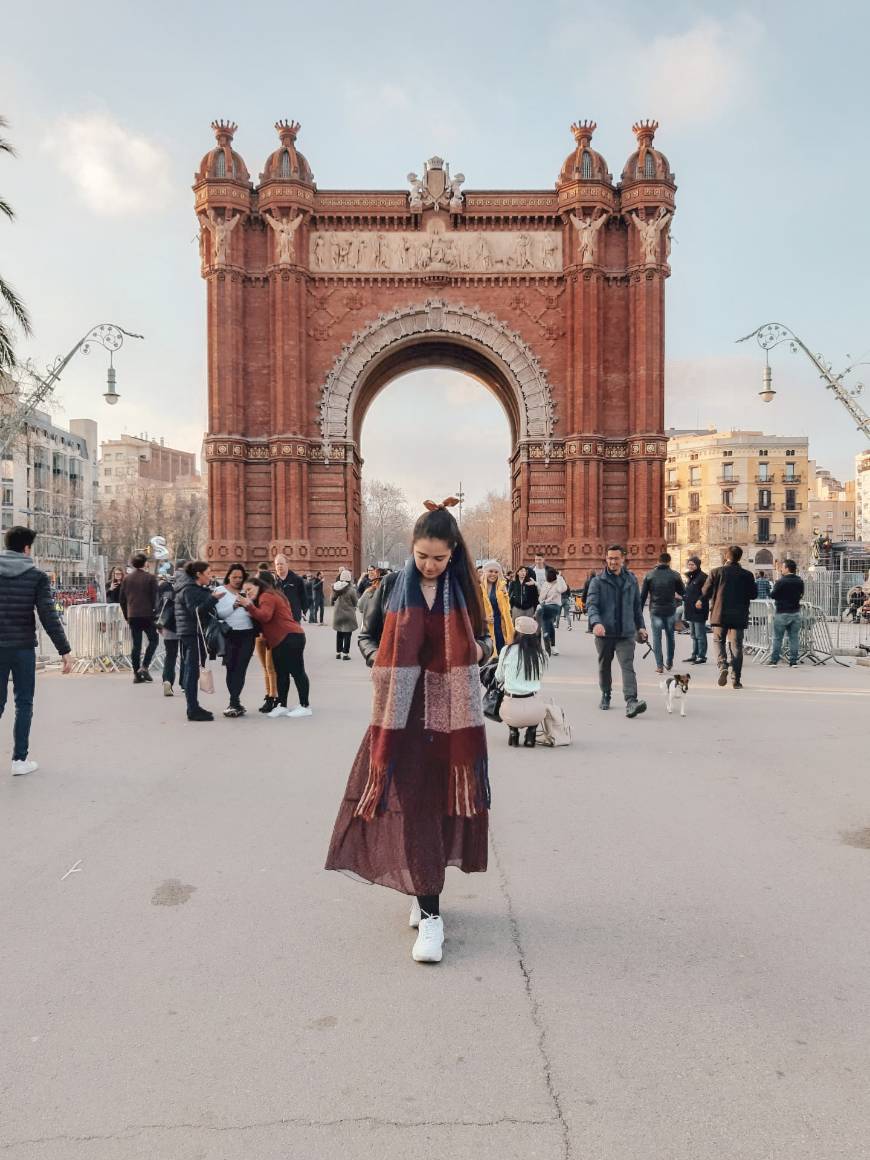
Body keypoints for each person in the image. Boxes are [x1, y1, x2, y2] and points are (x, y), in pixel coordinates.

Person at [326, 497, 492, 966]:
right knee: (415, 807)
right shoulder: (395, 584)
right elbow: (366, 634)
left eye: (439, 557)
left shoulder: (465, 588)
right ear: (412, 548)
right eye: (423, 556)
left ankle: (423, 892)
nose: (430, 565)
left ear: (454, 553)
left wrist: (477, 650)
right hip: (401, 719)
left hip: (453, 717)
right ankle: (432, 914)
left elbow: (485, 637)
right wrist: (379, 665)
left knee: (438, 808)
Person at [0, 525, 73, 775]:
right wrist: (64, 650)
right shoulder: (36, 576)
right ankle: (19, 761)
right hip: (22, 648)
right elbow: (48, 616)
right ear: (27, 548)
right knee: (24, 703)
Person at [586, 544, 648, 717]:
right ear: (606, 559)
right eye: (610, 558)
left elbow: (637, 607)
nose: (612, 561)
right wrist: (596, 623)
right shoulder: (597, 581)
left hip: (626, 633)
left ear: (623, 559)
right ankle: (606, 693)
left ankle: (631, 701)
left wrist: (641, 627)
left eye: (616, 558)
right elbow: (591, 605)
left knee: (627, 666)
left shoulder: (632, 580)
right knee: (604, 666)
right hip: (604, 634)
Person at [237, 574, 311, 718]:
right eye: (245, 592)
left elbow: (265, 616)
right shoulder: (273, 594)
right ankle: (282, 705)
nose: (248, 593)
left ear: (258, 586)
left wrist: (248, 605)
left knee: (297, 672)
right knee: (282, 673)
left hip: (289, 637)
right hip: (283, 639)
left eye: (250, 589)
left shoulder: (266, 596)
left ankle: (305, 705)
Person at [702, 545, 757, 690]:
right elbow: (753, 594)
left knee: (718, 640)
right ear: (740, 557)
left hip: (720, 614)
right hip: (739, 615)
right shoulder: (747, 575)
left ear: (726, 556)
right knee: (737, 646)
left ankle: (722, 666)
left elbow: (705, 591)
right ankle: (736, 679)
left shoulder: (716, 572)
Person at [174, 561, 221, 722]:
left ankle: (194, 706)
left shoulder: (191, 588)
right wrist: (213, 599)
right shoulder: (189, 590)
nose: (210, 575)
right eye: (208, 573)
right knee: (192, 670)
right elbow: (195, 612)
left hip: (191, 632)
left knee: (192, 669)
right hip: (192, 633)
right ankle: (192, 708)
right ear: (198, 574)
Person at [495, 615, 547, 748]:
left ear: (516, 633)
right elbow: (539, 678)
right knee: (538, 696)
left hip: (510, 711)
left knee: (506, 700)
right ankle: (531, 732)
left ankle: (513, 732)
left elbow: (499, 677)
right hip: (536, 712)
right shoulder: (541, 654)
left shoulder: (506, 650)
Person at [214, 564, 256, 715]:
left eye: (240, 577)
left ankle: (233, 702)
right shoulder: (220, 591)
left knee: (241, 668)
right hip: (229, 635)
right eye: (234, 577)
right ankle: (235, 702)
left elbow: (256, 612)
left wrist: (248, 607)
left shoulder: (248, 591)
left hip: (247, 634)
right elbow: (219, 615)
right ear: (228, 577)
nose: (237, 580)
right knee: (231, 668)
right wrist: (234, 606)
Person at [640, 552, 685, 674]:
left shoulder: (649, 575)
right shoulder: (675, 575)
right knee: (670, 637)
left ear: (658, 561)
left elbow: (643, 596)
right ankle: (669, 662)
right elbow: (682, 591)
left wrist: (638, 612)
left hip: (655, 610)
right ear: (669, 561)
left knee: (656, 638)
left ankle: (659, 666)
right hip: (670, 609)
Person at [119, 552, 159, 684]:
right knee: (153, 640)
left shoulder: (127, 579)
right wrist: (156, 614)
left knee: (136, 645)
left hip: (133, 615)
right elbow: (155, 598)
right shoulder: (151, 578)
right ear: (145, 563)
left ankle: (136, 674)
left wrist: (126, 614)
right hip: (147, 615)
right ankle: (145, 666)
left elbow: (122, 599)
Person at [767, 559, 804, 667]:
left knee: (778, 637)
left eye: (782, 567)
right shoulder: (799, 581)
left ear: (787, 568)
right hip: (795, 612)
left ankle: (774, 660)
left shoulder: (781, 581)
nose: (781, 569)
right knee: (794, 638)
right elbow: (801, 594)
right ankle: (793, 661)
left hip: (782, 612)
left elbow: (773, 595)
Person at [480, 561, 514, 654]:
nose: (493, 574)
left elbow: (506, 608)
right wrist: (483, 618)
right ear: (485, 572)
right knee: (486, 652)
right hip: (483, 626)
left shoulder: (501, 587)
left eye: (496, 572)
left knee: (500, 649)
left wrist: (504, 595)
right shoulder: (478, 587)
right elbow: (472, 608)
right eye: (490, 571)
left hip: (499, 624)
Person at [157, 566, 181, 695]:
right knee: (187, 656)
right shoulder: (188, 588)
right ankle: (184, 683)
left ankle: (167, 680)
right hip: (184, 627)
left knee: (170, 655)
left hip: (168, 625)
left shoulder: (165, 587)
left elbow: (159, 607)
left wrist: (160, 625)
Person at [682, 556, 709, 664]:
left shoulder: (703, 577)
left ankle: (702, 656)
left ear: (698, 565)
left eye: (693, 564)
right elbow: (690, 592)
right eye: (689, 564)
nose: (690, 566)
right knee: (693, 634)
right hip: (690, 609)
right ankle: (694, 654)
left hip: (699, 610)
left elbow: (707, 592)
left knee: (700, 634)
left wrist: (701, 600)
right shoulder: (691, 577)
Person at [536, 566, 567, 655]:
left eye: (546, 575)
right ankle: (550, 644)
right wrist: (545, 600)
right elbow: (540, 598)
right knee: (548, 622)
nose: (545, 576)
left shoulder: (559, 582)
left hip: (554, 607)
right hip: (544, 606)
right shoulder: (546, 584)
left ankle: (539, 630)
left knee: (540, 609)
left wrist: (560, 577)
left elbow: (562, 589)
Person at [332, 568, 360, 660]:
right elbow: (356, 602)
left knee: (339, 633)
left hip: (338, 613)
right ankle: (345, 654)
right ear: (349, 578)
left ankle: (338, 653)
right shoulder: (351, 590)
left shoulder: (335, 587)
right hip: (348, 614)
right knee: (347, 634)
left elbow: (332, 599)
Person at [273, 553, 309, 623]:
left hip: (293, 618)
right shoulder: (272, 581)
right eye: (277, 564)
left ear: (287, 564)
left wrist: (303, 611)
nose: (279, 566)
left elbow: (304, 597)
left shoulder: (297, 580)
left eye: (281, 564)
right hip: (277, 619)